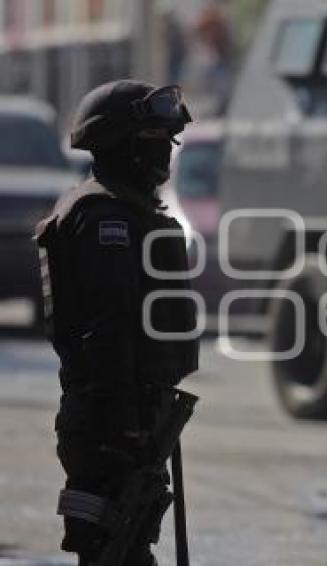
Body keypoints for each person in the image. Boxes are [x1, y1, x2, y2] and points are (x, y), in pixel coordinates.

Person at [35, 80, 198, 566]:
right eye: (155, 140)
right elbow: (110, 327)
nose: (166, 152)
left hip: (131, 413)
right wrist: (124, 423)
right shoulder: (107, 217)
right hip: (110, 417)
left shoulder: (127, 212)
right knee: (109, 547)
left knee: (128, 546)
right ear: (123, 144)